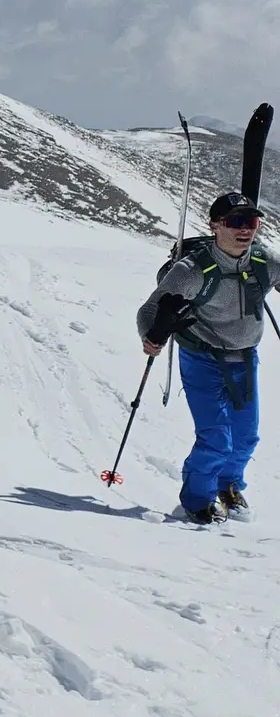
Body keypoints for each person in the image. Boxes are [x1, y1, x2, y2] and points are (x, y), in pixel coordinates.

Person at [137, 190, 277, 523]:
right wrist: (151, 336)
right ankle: (197, 500)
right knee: (216, 437)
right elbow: (151, 308)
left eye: (252, 221)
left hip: (244, 358)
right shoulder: (192, 270)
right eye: (235, 222)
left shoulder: (264, 261)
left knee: (246, 436)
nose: (245, 229)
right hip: (203, 359)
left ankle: (228, 485)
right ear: (215, 225)